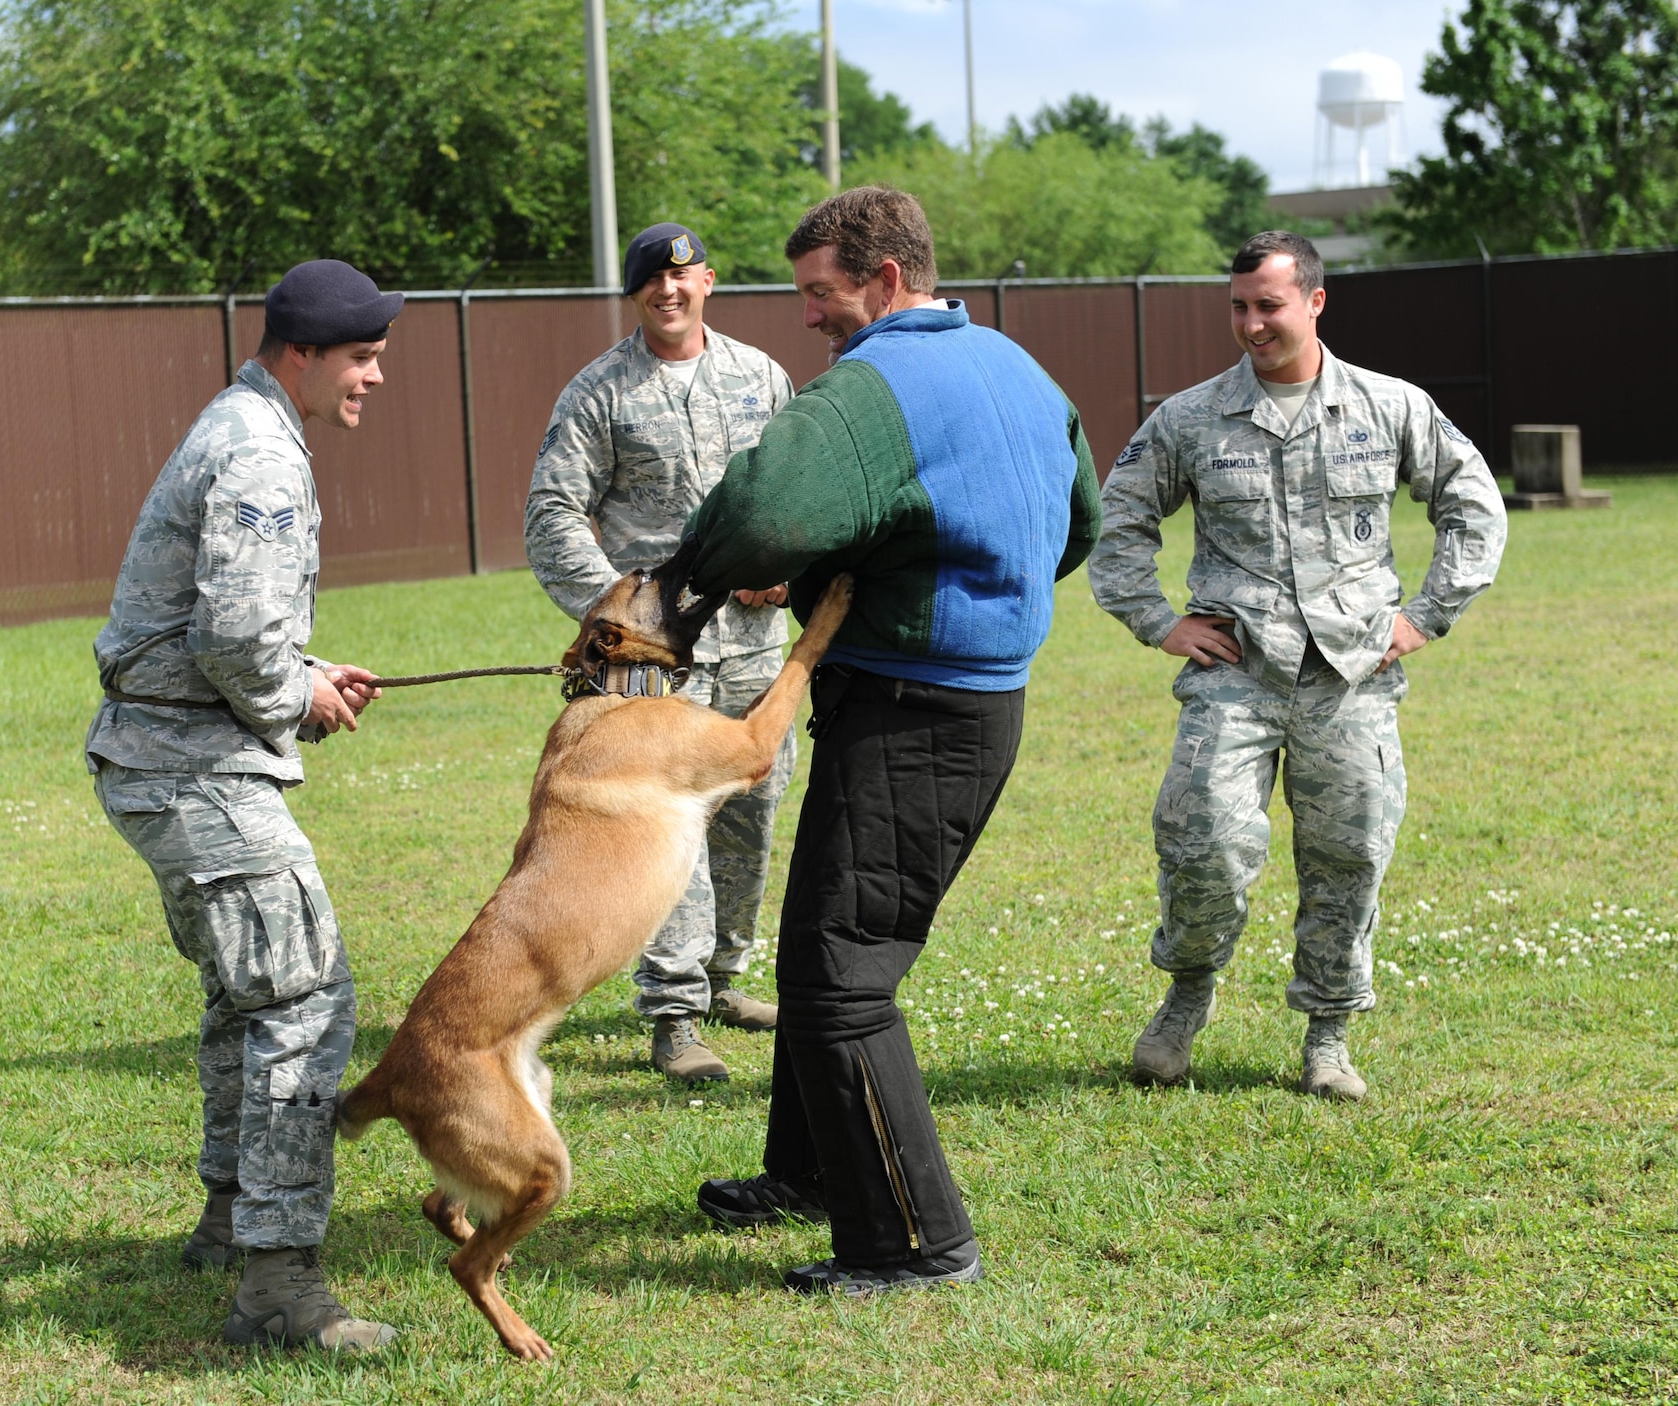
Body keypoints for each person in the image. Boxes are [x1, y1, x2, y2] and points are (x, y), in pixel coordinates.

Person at [680, 186, 1102, 1293]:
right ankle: (815, 1171)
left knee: (840, 973)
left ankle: (913, 1241)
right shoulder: (1017, 368)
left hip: (911, 715)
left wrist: (711, 566)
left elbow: (753, 518)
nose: (808, 317)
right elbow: (1076, 525)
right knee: (820, 943)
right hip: (972, 702)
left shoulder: (870, 387)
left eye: (819, 294)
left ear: (881, 281)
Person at [1087, 230, 1507, 1100]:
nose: (1251, 324)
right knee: (1202, 840)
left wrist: (1426, 616)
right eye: (1238, 306)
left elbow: (1473, 507)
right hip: (1235, 674)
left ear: (1315, 301)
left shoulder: (1390, 406)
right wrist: (1160, 622)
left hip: (1351, 677)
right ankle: (1186, 999)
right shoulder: (1191, 418)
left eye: (1269, 305)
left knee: (1350, 853)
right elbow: (1116, 520)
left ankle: (1329, 1034)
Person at [85, 259, 399, 1352]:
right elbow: (231, 640)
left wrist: (300, 671)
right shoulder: (261, 446)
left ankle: (228, 1218)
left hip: (164, 751)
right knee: (303, 995)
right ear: (302, 354)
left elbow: (217, 626)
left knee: (244, 988)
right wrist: (293, 686)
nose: (374, 376)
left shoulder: (240, 420)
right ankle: (276, 1287)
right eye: (361, 356)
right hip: (190, 765)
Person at [524, 221, 797, 1083]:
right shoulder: (599, 392)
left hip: (755, 647)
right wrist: (614, 613)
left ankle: (723, 982)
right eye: (652, 281)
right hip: (653, 667)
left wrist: (789, 568)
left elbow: (800, 497)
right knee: (668, 825)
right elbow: (552, 513)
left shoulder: (763, 377)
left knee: (752, 813)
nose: (669, 292)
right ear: (635, 293)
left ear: (708, 281)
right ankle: (674, 1014)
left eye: (683, 278)